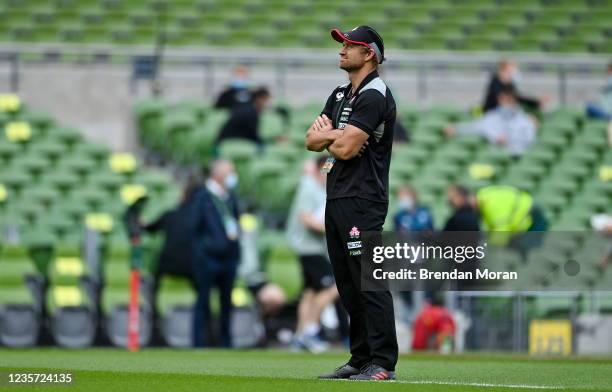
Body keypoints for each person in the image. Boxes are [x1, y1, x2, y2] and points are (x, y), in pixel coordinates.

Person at [306, 25, 398, 381]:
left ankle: (383, 362)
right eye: (342, 44)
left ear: (370, 53)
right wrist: (336, 135)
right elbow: (311, 140)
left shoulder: (375, 94)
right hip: (338, 194)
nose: (342, 50)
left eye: (350, 45)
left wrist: (331, 136)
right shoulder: (341, 91)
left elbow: (340, 148)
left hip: (364, 198)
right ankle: (360, 358)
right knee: (346, 283)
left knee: (368, 280)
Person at [142, 174, 229, 347]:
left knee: (151, 287)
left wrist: (141, 222)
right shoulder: (202, 216)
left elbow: (148, 227)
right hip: (193, 266)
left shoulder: (171, 214)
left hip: (169, 266)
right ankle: (210, 336)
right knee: (204, 298)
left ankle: (153, 334)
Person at [286, 157, 339, 353]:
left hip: (311, 248)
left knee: (310, 292)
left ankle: (300, 336)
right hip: (309, 248)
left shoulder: (317, 188)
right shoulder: (309, 187)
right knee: (333, 287)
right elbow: (306, 218)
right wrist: (332, 229)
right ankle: (310, 331)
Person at [445, 86, 537, 157]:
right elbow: (475, 127)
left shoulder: (526, 120)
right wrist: (456, 128)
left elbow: (529, 140)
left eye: (507, 100)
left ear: (514, 101)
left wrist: (509, 139)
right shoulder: (492, 117)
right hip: (496, 157)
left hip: (518, 156)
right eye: (502, 100)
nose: (504, 103)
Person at [482, 59, 549, 113]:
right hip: (494, 115)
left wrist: (537, 102)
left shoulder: (509, 84)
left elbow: (518, 97)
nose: (513, 74)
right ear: (502, 70)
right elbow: (504, 100)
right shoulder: (495, 84)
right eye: (510, 71)